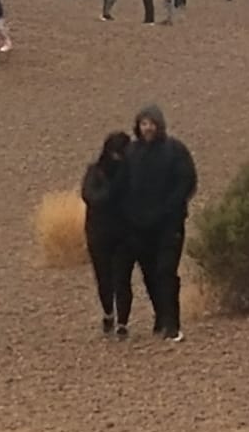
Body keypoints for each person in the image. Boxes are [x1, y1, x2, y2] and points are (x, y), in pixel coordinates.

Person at [115, 106, 197, 342]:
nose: (147, 128)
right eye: (143, 123)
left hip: (169, 225)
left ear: (159, 125)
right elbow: (121, 186)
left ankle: (173, 325)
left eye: (151, 123)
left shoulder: (175, 150)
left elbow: (187, 182)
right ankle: (161, 318)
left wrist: (168, 209)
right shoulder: (131, 153)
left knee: (166, 272)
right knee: (150, 274)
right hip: (139, 227)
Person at [81, 131, 132, 336]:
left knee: (122, 278)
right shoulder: (95, 172)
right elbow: (91, 197)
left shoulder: (132, 173)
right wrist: (113, 192)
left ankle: (123, 323)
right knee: (104, 278)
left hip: (125, 233)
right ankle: (109, 313)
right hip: (99, 234)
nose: (119, 158)